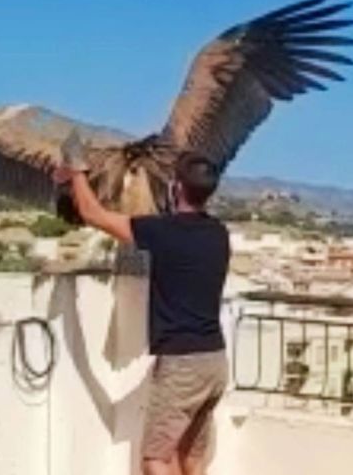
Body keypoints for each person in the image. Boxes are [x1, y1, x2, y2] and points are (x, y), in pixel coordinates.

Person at [54, 146, 230, 475]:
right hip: (215, 361)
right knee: (192, 454)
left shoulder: (161, 233)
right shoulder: (219, 234)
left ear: (176, 187)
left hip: (182, 365)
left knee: (156, 458)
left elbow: (93, 214)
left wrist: (76, 173)